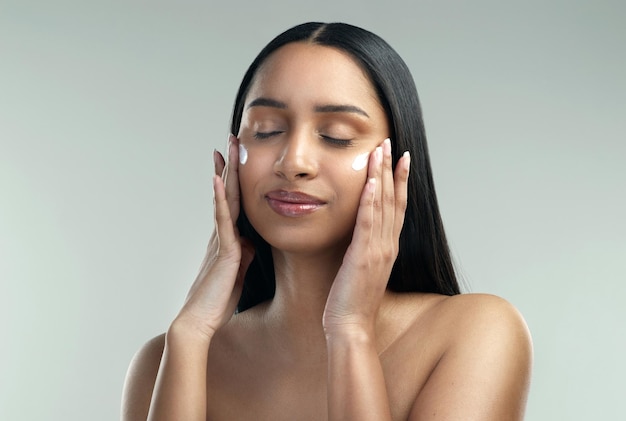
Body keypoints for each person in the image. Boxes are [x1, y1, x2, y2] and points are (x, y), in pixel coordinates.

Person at [121, 22, 532, 420]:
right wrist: (191, 336)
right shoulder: (165, 362)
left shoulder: (476, 334)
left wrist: (350, 331)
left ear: (397, 165)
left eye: (336, 135)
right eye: (265, 130)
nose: (293, 162)